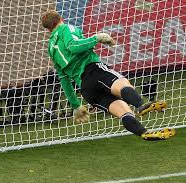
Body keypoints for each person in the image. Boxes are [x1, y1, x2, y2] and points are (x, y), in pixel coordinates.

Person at [41, 10, 175, 140]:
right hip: (94, 70)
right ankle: (140, 105)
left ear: (48, 29)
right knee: (123, 84)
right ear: (60, 19)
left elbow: (64, 79)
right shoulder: (65, 28)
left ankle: (144, 133)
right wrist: (96, 38)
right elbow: (73, 46)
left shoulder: (51, 49)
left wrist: (75, 105)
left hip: (86, 89)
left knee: (124, 112)